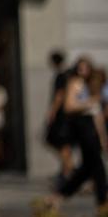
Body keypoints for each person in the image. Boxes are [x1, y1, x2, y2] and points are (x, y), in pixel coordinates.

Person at [54, 57, 108, 210]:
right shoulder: (75, 83)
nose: (82, 71)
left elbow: (97, 115)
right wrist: (89, 102)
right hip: (82, 126)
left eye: (85, 68)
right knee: (96, 164)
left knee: (88, 167)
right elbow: (69, 106)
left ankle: (60, 195)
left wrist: (103, 137)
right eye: (80, 68)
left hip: (92, 126)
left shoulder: (91, 85)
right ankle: (102, 201)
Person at [46, 49, 74, 186]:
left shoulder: (61, 75)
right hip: (69, 115)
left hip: (62, 116)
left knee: (60, 143)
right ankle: (66, 170)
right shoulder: (69, 73)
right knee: (64, 145)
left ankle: (69, 171)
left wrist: (52, 112)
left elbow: (59, 95)